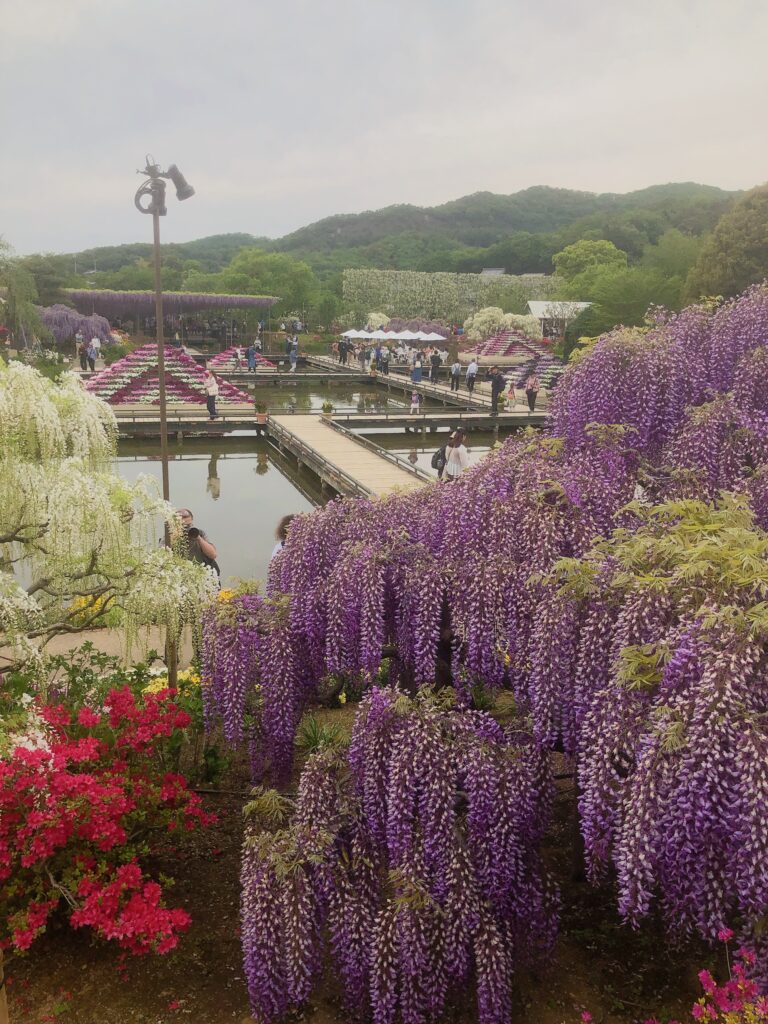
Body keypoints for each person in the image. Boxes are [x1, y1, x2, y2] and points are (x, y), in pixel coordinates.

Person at [177, 508, 220, 577]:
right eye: (183, 526)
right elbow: (163, 554)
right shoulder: (171, 535)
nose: (186, 529)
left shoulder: (200, 533)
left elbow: (213, 555)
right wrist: (175, 536)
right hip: (181, 574)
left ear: (192, 520)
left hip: (201, 573)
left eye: (188, 526)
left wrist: (198, 537)